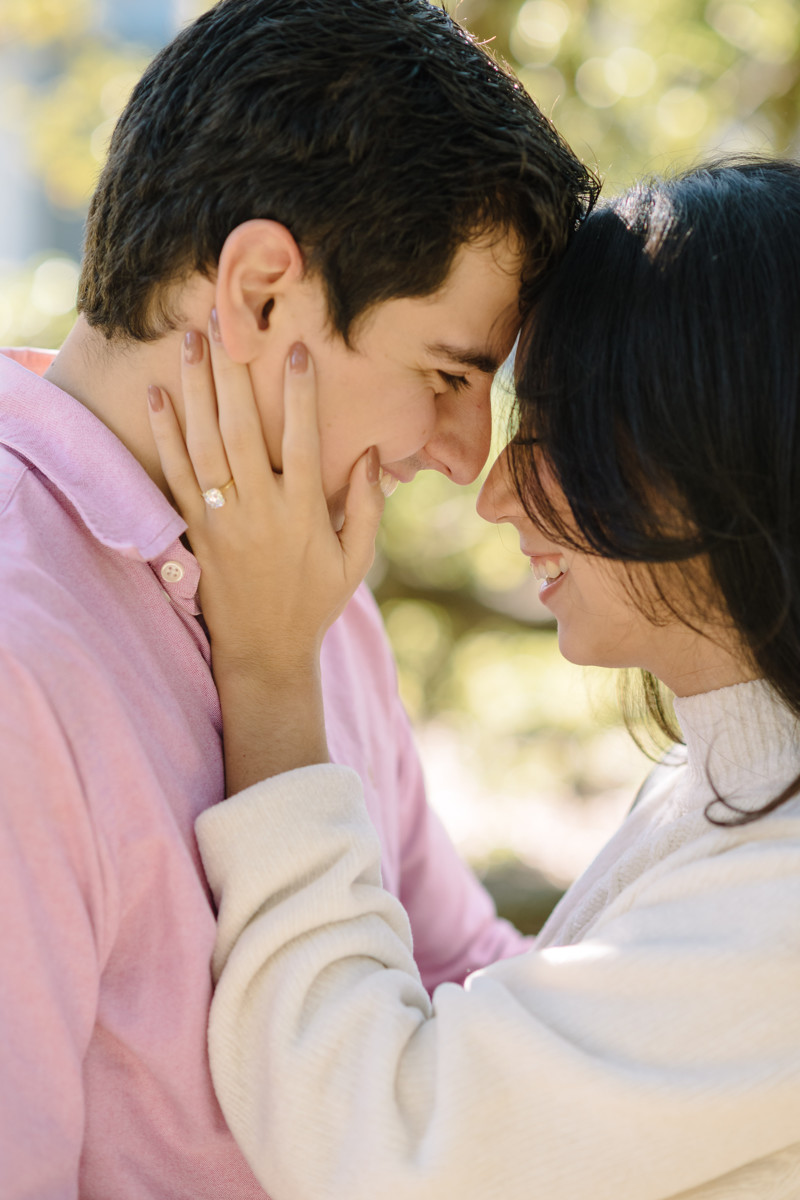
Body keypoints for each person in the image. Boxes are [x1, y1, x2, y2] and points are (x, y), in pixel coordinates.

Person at [0, 1, 598, 1194]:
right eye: (445, 374)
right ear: (262, 291)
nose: (460, 454)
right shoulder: (23, 653)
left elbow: (452, 977)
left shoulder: (298, 584)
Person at [152, 157, 800, 1200]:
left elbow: (376, 1147)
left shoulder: (778, 903)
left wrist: (271, 677)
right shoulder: (714, 792)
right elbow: (481, 1000)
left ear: (716, 437)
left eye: (550, 435)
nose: (491, 491)